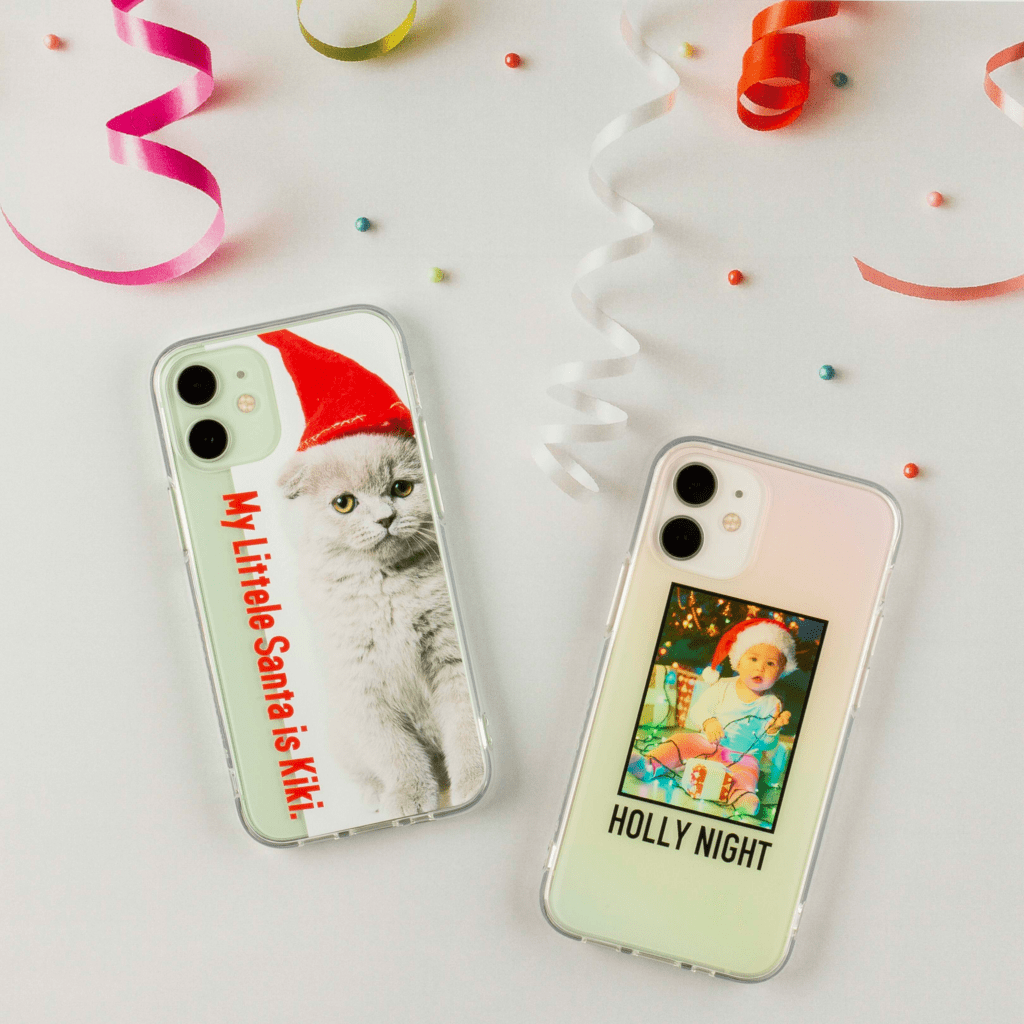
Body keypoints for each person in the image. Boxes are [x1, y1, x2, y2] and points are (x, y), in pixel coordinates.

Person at [628, 618, 796, 816]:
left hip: (742, 757)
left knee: (749, 772)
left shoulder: (772, 704)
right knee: (681, 740)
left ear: (780, 672)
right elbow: (698, 710)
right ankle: (650, 765)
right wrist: (708, 721)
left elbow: (767, 745)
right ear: (738, 661)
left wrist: (772, 731)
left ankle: (741, 796)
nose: (760, 668)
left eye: (770, 663)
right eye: (753, 659)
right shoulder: (723, 686)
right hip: (708, 744)